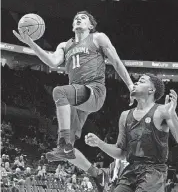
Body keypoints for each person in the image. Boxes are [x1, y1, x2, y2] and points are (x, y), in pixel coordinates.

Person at [13, 10, 133, 191]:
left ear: (91, 26)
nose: (78, 18)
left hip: (94, 91)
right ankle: (98, 174)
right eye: (76, 17)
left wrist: (131, 86)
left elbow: (116, 61)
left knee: (59, 92)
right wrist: (31, 43)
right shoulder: (65, 45)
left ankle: (64, 142)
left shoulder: (98, 38)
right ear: (72, 26)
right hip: (76, 96)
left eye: (83, 17)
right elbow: (52, 62)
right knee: (67, 153)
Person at [85, 74, 178, 192]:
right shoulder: (125, 116)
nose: (135, 83)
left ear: (151, 90)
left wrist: (172, 114)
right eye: (136, 81)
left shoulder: (162, 111)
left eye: (141, 81)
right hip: (130, 170)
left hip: (154, 171)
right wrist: (99, 143)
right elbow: (121, 153)